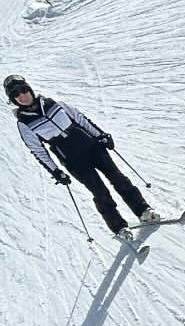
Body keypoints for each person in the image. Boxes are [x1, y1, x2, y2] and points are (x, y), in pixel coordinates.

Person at [4, 73, 161, 240]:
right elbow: (38, 150)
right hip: (73, 160)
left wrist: (101, 135)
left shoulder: (53, 104)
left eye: (23, 90)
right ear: (14, 100)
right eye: (16, 95)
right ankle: (119, 227)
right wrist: (55, 171)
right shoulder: (24, 123)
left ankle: (143, 211)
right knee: (99, 192)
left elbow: (80, 119)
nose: (22, 96)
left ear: (29, 89)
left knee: (119, 178)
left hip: (93, 147)